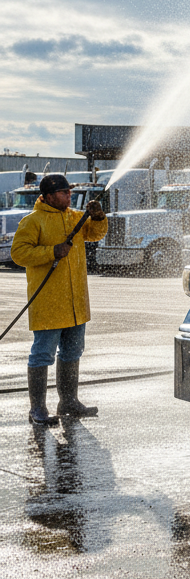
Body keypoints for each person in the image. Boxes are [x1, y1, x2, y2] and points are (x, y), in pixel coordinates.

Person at [11, 173, 108, 426]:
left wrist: (98, 217)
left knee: (73, 352)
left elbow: (95, 234)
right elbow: (19, 253)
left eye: (69, 192)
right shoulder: (33, 221)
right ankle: (38, 409)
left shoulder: (75, 217)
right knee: (42, 355)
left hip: (76, 304)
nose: (69, 196)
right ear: (49, 196)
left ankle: (68, 402)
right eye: (65, 192)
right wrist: (52, 251)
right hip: (49, 303)